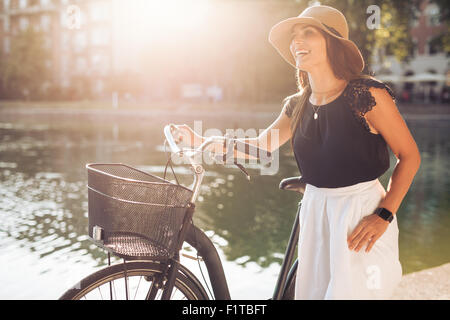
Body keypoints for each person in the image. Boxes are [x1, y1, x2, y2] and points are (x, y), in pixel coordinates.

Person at [173, 5, 421, 299]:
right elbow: (262, 146)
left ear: (333, 43)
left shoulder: (366, 95)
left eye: (308, 33)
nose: (296, 42)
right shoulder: (297, 103)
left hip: (360, 212)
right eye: (294, 36)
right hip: (315, 210)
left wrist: (384, 214)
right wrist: (200, 139)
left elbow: (410, 156)